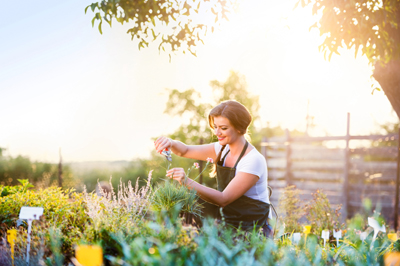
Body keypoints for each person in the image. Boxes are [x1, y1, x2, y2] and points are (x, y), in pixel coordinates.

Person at [154, 100, 272, 236]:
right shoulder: (222, 149)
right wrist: (171, 142)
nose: (217, 132)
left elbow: (224, 199)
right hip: (229, 223)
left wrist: (186, 181)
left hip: (254, 229)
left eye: (223, 128)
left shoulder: (253, 160)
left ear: (239, 128)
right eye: (215, 127)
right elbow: (184, 151)